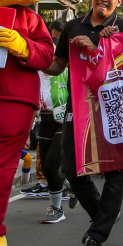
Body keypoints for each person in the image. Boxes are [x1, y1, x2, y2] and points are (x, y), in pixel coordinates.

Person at [43, 0, 123, 246]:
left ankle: (97, 235)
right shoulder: (72, 27)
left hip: (114, 105)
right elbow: (57, 67)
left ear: (119, 1)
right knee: (71, 169)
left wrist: (98, 49)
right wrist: (23, 55)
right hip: (79, 106)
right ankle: (103, 216)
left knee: (115, 169)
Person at [38, 19, 73, 224]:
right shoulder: (34, 70)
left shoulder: (64, 67)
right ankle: (70, 185)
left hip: (64, 119)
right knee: (48, 168)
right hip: (44, 120)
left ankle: (56, 209)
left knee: (51, 165)